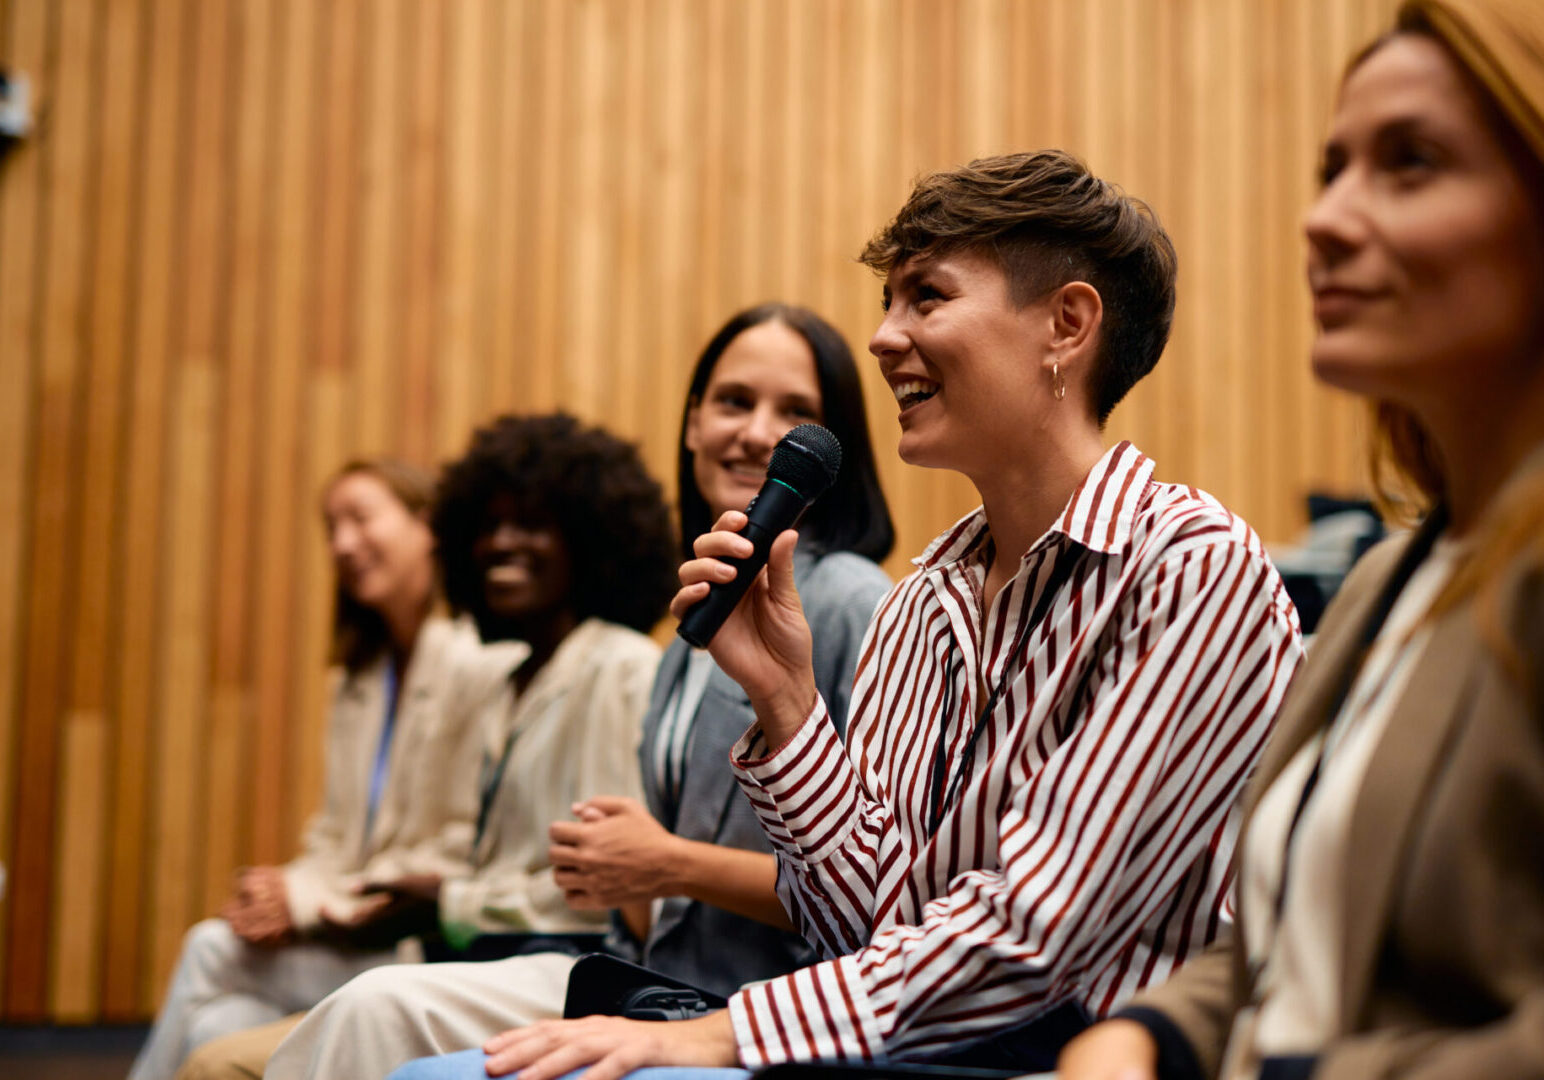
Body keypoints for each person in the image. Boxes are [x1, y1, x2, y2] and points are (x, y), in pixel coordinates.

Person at [390, 150, 1305, 1080]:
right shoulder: (926, 596)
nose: (881, 337)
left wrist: (719, 1033)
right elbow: (857, 923)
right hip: (899, 1051)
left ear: (1065, 325)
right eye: (888, 302)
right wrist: (786, 701)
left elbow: (1037, 936)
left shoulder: (1193, 569)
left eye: (927, 297)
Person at [1058, 2, 1544, 1077]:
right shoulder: (1382, 580)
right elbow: (1286, 947)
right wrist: (1144, 1036)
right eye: (1330, 168)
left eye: (1408, 163)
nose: (1323, 217)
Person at [262, 304, 896, 1080]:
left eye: (795, 412)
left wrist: (665, 863)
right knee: (325, 1005)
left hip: (755, 1004)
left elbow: (878, 889)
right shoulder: (690, 634)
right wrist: (620, 864)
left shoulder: (852, 601)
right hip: (643, 978)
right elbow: (648, 894)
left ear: (831, 451)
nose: (759, 431)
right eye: (734, 401)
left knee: (376, 1007)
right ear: (692, 424)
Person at [177, 414, 677, 1080]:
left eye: (531, 524)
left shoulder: (618, 665)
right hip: (484, 958)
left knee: (258, 1045)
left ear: (589, 538)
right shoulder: (508, 681)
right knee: (215, 1040)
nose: (502, 543)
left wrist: (447, 904)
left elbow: (608, 889)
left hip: (573, 966)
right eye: (488, 526)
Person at [129, 459, 520, 1080]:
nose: (342, 544)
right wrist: (277, 890)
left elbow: (458, 851)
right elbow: (334, 839)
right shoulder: (357, 680)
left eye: (361, 519)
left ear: (427, 527)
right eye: (331, 528)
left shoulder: (479, 664)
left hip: (414, 949)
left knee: (209, 948)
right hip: (346, 937)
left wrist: (304, 901)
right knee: (213, 1028)